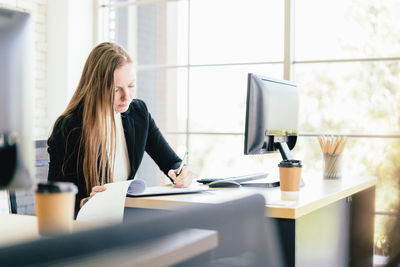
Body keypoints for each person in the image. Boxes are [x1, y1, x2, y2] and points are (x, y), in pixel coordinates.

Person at [47, 42, 193, 216]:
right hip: (86, 227)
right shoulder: (69, 127)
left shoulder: (139, 113)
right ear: (96, 87)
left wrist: (181, 173)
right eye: (116, 89)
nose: (127, 97)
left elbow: (171, 162)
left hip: (123, 218)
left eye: (131, 86)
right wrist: (85, 202)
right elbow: (54, 204)